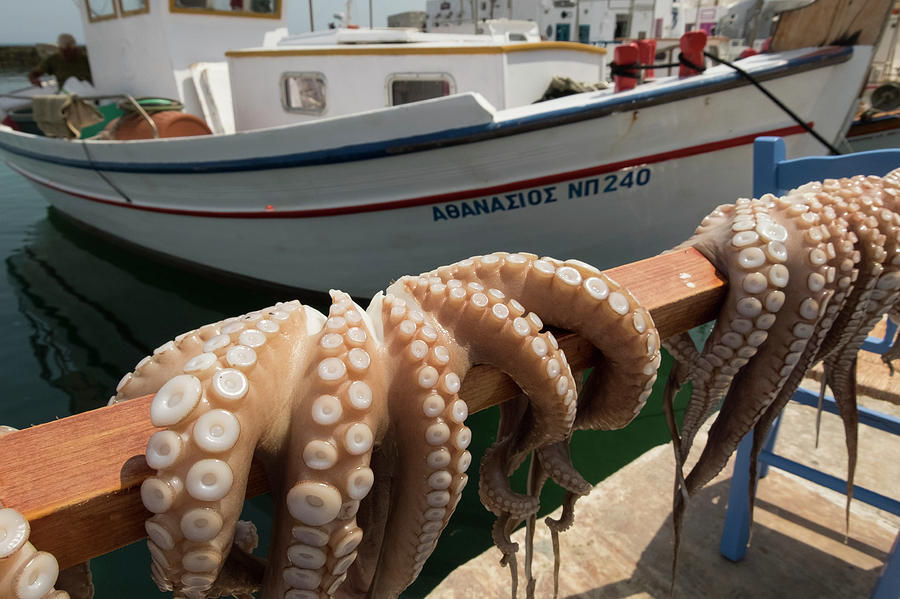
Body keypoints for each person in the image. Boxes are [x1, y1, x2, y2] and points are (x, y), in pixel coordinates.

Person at [28, 34, 92, 88]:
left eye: (68, 50)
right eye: (62, 50)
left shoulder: (86, 59)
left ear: (74, 49)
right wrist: (35, 81)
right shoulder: (53, 59)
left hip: (87, 92)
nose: (65, 53)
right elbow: (34, 74)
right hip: (65, 94)